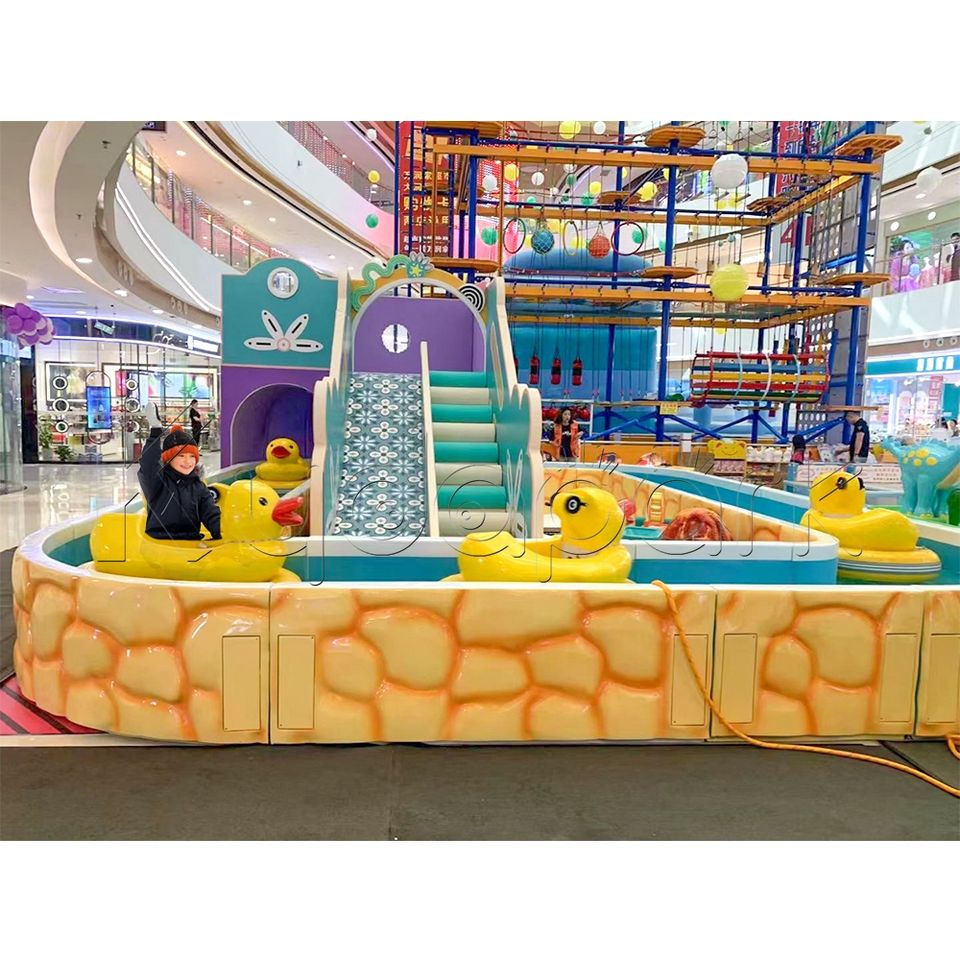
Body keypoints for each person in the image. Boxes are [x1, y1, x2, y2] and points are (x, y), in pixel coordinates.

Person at [138, 403, 220, 542]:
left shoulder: (198, 487)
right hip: (160, 541)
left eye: (192, 456)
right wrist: (156, 431)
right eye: (181, 456)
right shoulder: (158, 482)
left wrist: (222, 532)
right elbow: (148, 463)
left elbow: (211, 514)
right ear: (169, 459)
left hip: (190, 542)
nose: (187, 461)